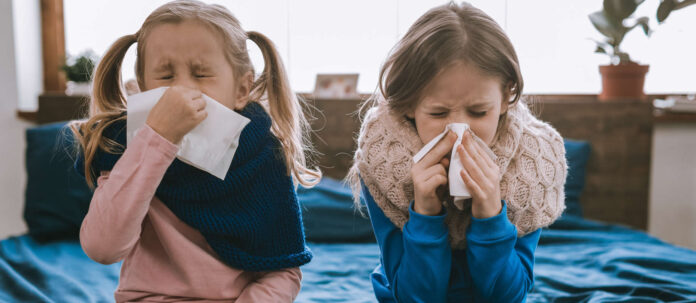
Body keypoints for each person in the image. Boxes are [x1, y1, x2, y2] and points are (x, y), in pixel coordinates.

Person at [70, 1, 320, 302]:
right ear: (142, 88)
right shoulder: (125, 150)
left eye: (201, 75)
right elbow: (103, 248)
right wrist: (156, 139)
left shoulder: (264, 157)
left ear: (241, 89)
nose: (182, 90)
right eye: (165, 77)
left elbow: (283, 271)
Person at [349, 2, 567, 302]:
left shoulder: (532, 166)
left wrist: (491, 215)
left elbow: (508, 297)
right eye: (438, 113)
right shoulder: (383, 160)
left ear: (506, 96)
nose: (458, 130)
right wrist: (424, 211)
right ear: (410, 105)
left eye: (478, 112)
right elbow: (413, 297)